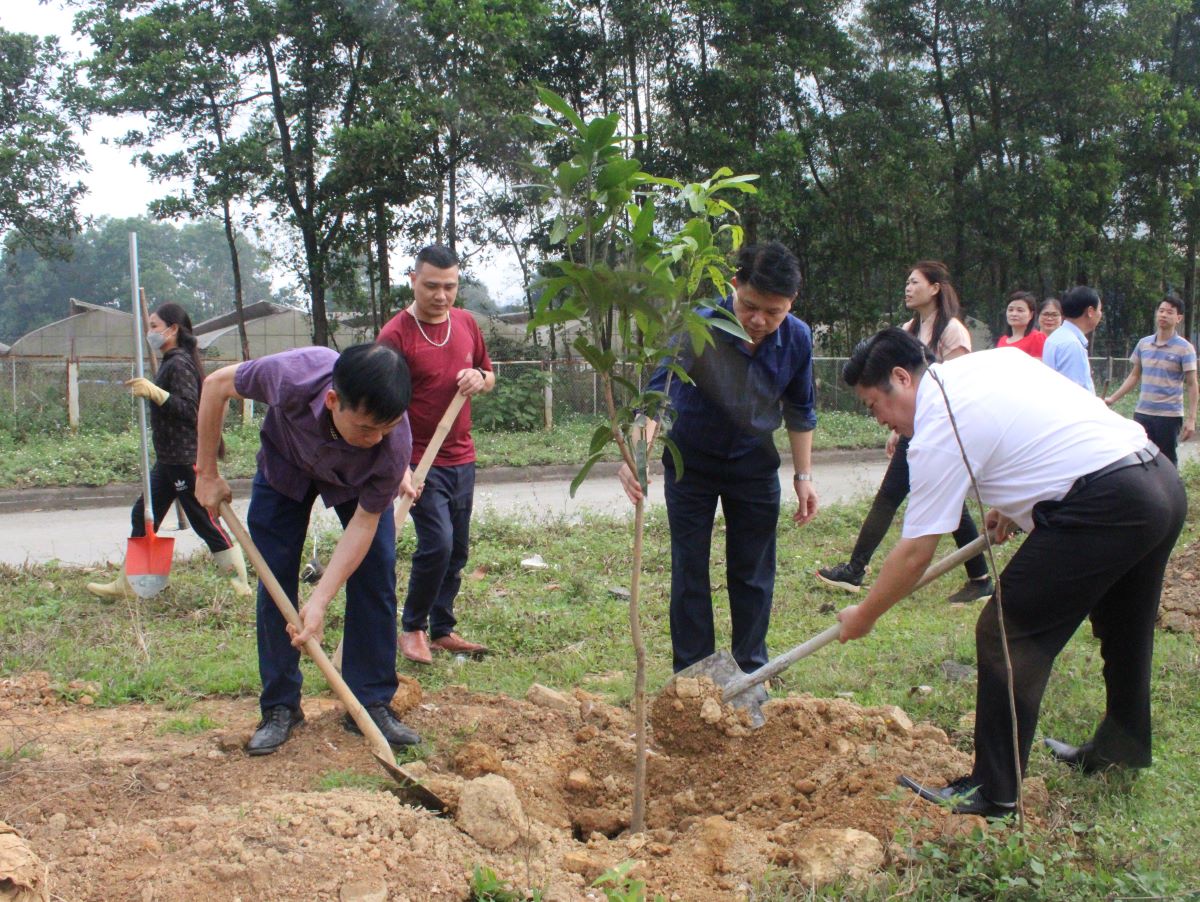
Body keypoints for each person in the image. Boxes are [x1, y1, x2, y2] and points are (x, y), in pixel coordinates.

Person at [836, 329, 1185, 817]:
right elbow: (1036, 427)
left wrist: (866, 614)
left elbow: (915, 553)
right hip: (1157, 482)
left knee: (1006, 632)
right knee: (1124, 625)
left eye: (875, 407)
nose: (884, 424)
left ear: (901, 378)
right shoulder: (983, 366)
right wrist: (1016, 503)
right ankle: (1122, 745)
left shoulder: (938, 426)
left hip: (1107, 501)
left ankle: (994, 791)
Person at [195, 343, 420, 755]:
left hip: (354, 481)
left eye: (386, 428)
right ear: (333, 400)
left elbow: (365, 523)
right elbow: (215, 385)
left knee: (377, 571)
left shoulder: (391, 445)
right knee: (273, 576)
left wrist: (320, 600)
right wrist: (206, 473)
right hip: (285, 467)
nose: (376, 438)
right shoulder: (292, 375)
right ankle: (280, 706)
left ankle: (369, 702)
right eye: (366, 428)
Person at [617, 242, 819, 674]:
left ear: (791, 304)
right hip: (692, 463)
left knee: (754, 572)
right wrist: (636, 455)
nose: (759, 320)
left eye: (774, 311)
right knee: (689, 568)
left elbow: (801, 410)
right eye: (749, 306)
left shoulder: (797, 338)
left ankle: (750, 671)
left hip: (754, 465)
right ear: (734, 286)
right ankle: (694, 673)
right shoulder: (697, 325)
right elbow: (656, 397)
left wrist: (803, 475)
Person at [816, 261, 991, 604]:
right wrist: (899, 428)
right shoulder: (906, 329)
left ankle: (857, 567)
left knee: (912, 498)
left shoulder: (952, 330)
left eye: (915, 282)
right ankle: (979, 575)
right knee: (919, 500)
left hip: (938, 428)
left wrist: (866, 614)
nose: (908, 288)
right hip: (916, 425)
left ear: (936, 288)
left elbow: (948, 388)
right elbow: (900, 391)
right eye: (907, 282)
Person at [377, 245, 495, 665]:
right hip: (417, 460)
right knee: (438, 543)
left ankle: (442, 627)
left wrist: (479, 378)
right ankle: (412, 628)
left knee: (458, 548)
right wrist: (398, 464)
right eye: (431, 286)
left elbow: (489, 374)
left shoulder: (465, 324)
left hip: (462, 456)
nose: (441, 295)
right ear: (413, 280)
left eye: (450, 286)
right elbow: (381, 406)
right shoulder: (395, 335)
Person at [87, 303, 251, 600]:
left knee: (205, 522)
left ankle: (241, 585)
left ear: (172, 329)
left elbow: (191, 409)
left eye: (154, 326)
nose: (150, 332)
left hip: (185, 458)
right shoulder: (172, 361)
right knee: (143, 514)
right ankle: (131, 583)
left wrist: (156, 392)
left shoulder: (179, 364)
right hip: (168, 461)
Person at [1104, 296, 1197, 467]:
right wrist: (1112, 398)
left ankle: (1170, 493)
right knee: (1140, 458)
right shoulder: (1143, 344)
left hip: (1169, 416)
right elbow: (1134, 376)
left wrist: (1192, 419)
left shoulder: (1185, 348)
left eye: (1170, 312)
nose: (1163, 315)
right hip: (1143, 412)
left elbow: (1192, 384)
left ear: (1179, 318)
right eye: (1161, 311)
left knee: (1166, 460)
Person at [1043, 285, 1102, 392]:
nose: (1100, 314)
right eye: (1100, 310)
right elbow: (1074, 393)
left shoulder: (1057, 337)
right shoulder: (1071, 344)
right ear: (1090, 312)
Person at [995, 291, 1046, 358]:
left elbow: (1039, 366)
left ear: (1031, 315)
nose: (1014, 314)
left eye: (1020, 310)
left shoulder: (1037, 338)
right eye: (1010, 310)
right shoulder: (1002, 340)